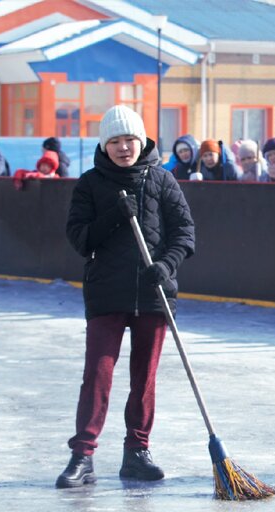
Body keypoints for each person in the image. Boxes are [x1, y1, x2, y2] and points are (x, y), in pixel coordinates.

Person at [57, 105, 196, 489]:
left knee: (144, 378)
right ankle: (83, 455)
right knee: (98, 376)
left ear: (142, 140)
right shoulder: (90, 183)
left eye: (129, 140)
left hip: (153, 295)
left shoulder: (163, 180)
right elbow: (80, 239)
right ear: (105, 144)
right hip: (106, 294)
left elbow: (185, 233)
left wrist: (165, 267)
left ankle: (137, 451)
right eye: (115, 141)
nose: (123, 148)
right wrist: (115, 216)